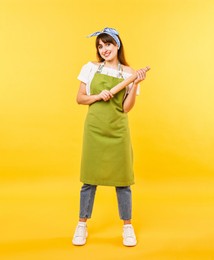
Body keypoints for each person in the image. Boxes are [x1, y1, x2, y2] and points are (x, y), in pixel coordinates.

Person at [72, 27, 148, 247]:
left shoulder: (129, 73)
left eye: (108, 44)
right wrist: (97, 95)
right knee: (89, 179)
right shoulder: (90, 68)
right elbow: (79, 98)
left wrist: (134, 85)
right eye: (100, 46)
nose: (104, 49)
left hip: (118, 131)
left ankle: (127, 227)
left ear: (117, 45)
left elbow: (126, 108)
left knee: (123, 181)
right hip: (95, 129)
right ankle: (81, 225)